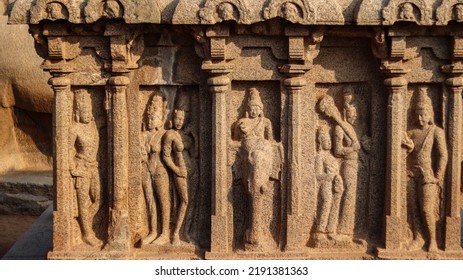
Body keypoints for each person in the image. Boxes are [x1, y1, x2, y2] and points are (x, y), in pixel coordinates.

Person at [402, 88, 447, 252]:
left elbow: (443, 155)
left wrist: (437, 176)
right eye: (418, 114)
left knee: (426, 209)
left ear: (430, 115)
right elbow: (405, 150)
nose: (420, 118)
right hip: (411, 174)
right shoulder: (412, 132)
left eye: (424, 114)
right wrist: (408, 147)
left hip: (427, 175)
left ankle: (433, 240)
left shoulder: (436, 132)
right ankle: (418, 237)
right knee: (413, 210)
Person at [236, 88, 277, 249]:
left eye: (257, 108)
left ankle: (263, 178)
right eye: (252, 108)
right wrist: (242, 130)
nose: (254, 111)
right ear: (248, 109)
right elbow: (236, 137)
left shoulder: (266, 122)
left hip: (263, 149)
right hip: (248, 149)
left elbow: (271, 140)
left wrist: (264, 143)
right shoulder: (243, 122)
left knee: (261, 153)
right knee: (255, 155)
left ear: (261, 110)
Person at [162, 95, 198, 245]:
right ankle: (175, 233)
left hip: (192, 170)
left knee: (191, 203)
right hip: (180, 171)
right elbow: (165, 156)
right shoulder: (170, 134)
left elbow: (195, 154)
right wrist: (176, 170)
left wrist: (195, 136)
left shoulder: (185, 134)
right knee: (184, 200)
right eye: (177, 119)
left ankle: (186, 232)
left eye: (182, 119)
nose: (179, 122)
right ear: (172, 117)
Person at [69, 89, 102, 247]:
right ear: (77, 112)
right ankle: (87, 233)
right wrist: (73, 168)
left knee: (98, 198)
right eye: (84, 111)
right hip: (81, 167)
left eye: (89, 110)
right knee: (82, 202)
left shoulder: (93, 125)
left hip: (93, 167)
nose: (88, 114)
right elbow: (67, 150)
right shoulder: (74, 128)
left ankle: (83, 220)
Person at [140, 95, 170, 246]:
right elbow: (140, 153)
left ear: (161, 119)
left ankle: (165, 232)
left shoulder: (165, 134)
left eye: (154, 118)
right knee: (150, 201)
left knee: (163, 201)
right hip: (146, 170)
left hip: (161, 170)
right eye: (149, 117)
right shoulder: (143, 135)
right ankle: (153, 231)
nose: (151, 120)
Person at [333, 86, 360, 242]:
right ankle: (343, 229)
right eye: (351, 113)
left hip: (356, 164)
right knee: (348, 193)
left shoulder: (353, 128)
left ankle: (351, 229)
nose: (354, 116)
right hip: (347, 164)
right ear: (344, 113)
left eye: (355, 114)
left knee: (353, 194)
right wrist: (351, 149)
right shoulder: (339, 127)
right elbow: (337, 150)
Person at [315, 124, 344, 243]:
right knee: (327, 202)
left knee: (335, 205)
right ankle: (320, 230)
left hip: (336, 184)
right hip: (325, 184)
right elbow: (318, 175)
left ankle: (331, 229)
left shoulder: (333, 157)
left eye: (329, 140)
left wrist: (337, 179)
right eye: (325, 140)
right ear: (320, 142)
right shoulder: (320, 157)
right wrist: (330, 177)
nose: (329, 142)